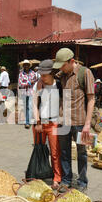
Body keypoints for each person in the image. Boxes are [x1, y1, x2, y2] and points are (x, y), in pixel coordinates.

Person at [53, 48, 95, 193]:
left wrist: (88, 125)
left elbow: (91, 99)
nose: (60, 68)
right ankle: (66, 180)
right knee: (64, 152)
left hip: (80, 122)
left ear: (72, 62)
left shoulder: (85, 73)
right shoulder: (62, 75)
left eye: (62, 65)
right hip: (63, 122)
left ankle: (82, 181)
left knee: (82, 153)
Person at [32, 60, 63, 190]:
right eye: (41, 75)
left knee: (55, 152)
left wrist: (62, 117)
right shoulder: (38, 85)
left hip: (54, 122)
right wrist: (37, 122)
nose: (42, 77)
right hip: (40, 122)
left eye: (44, 75)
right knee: (39, 149)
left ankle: (57, 177)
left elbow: (62, 103)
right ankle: (37, 174)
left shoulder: (59, 85)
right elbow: (34, 104)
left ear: (52, 73)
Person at [18, 60, 37, 129]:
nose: (26, 66)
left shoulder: (33, 73)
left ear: (29, 66)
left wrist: (26, 83)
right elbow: (20, 84)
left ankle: (28, 122)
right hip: (24, 92)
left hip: (31, 92)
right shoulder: (21, 74)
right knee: (26, 107)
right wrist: (29, 83)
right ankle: (27, 121)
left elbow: (35, 82)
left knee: (30, 106)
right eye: (25, 65)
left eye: (27, 64)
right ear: (23, 66)